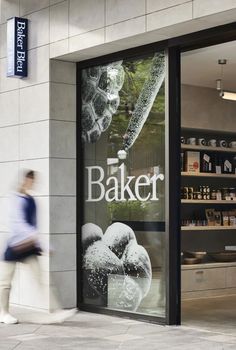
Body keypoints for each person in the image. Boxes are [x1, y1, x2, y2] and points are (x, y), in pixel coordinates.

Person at [0, 170, 76, 324]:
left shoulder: (32, 200)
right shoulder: (14, 199)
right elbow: (19, 224)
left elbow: (35, 226)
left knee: (43, 280)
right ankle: (3, 313)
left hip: (29, 248)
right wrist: (42, 243)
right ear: (23, 181)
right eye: (29, 180)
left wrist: (41, 243)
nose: (31, 183)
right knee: (5, 282)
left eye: (33, 181)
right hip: (15, 246)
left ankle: (57, 312)